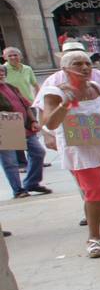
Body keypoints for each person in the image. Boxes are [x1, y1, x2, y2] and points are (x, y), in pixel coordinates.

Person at [38, 50, 100, 258]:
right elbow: (50, 122)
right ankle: (93, 238)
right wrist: (65, 104)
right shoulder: (54, 91)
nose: (84, 68)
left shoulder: (96, 87)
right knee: (95, 194)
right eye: (78, 64)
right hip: (80, 151)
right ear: (65, 69)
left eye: (87, 63)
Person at [0, 63, 48, 198]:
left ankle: (31, 183)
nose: (1, 73)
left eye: (2, 71)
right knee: (10, 161)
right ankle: (18, 189)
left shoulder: (11, 87)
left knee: (38, 152)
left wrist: (33, 121)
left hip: (25, 125)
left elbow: (26, 105)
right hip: (6, 127)